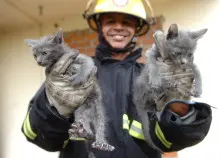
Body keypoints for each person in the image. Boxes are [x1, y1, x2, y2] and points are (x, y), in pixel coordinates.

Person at [21, 0, 212, 158]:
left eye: (127, 22)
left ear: (137, 27)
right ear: (99, 24)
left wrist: (177, 106)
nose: (118, 27)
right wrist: (53, 108)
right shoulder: (72, 71)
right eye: (111, 20)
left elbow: (170, 143)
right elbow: (35, 133)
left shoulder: (153, 77)